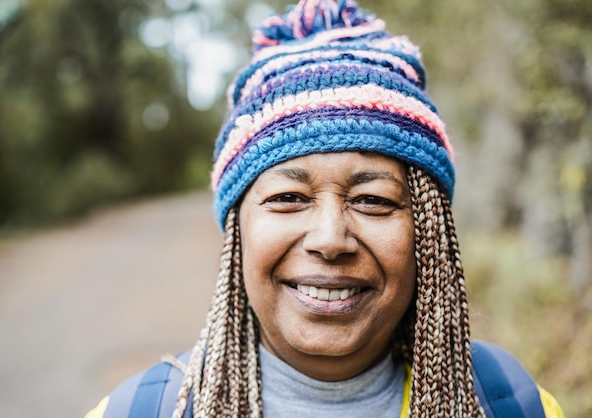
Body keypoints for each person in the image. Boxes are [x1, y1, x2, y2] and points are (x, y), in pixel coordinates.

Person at [85, 0, 564, 417]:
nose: (330, 239)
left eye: (373, 200)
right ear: (239, 229)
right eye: (288, 198)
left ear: (428, 233)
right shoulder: (136, 412)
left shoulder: (515, 406)